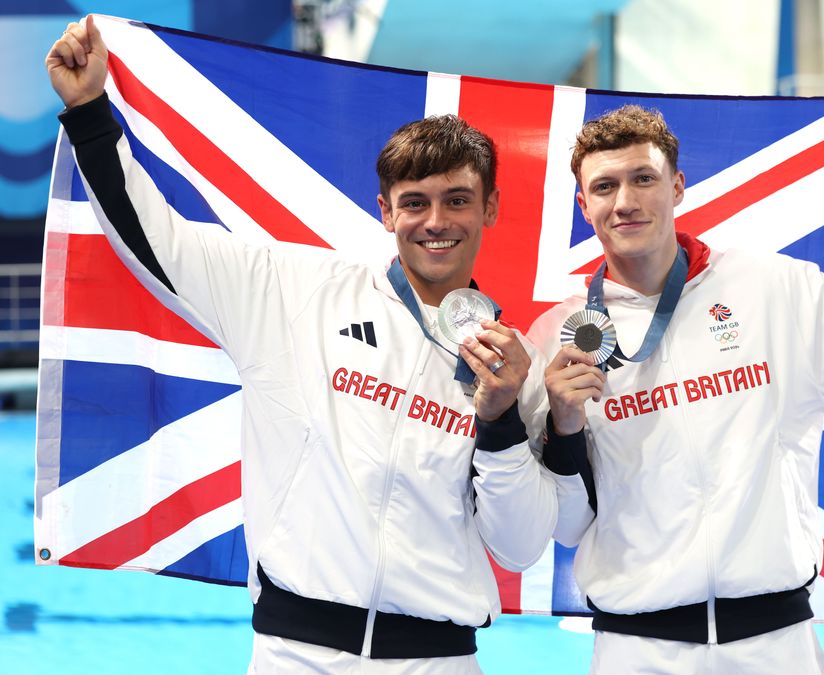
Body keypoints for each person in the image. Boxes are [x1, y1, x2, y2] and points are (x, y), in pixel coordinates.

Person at [47, 16, 559, 674]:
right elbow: (159, 242)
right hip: (297, 654)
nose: (436, 222)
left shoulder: (513, 363)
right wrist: (91, 112)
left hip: (439, 660)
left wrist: (500, 422)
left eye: (458, 200)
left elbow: (518, 546)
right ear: (385, 211)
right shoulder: (292, 292)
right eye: (415, 202)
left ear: (489, 208)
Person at [528, 102, 824, 673]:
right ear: (583, 204)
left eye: (644, 178)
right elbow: (565, 521)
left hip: (774, 644)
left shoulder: (770, 291)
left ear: (678, 185)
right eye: (605, 186)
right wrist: (561, 431)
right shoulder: (560, 339)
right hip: (637, 650)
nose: (626, 201)